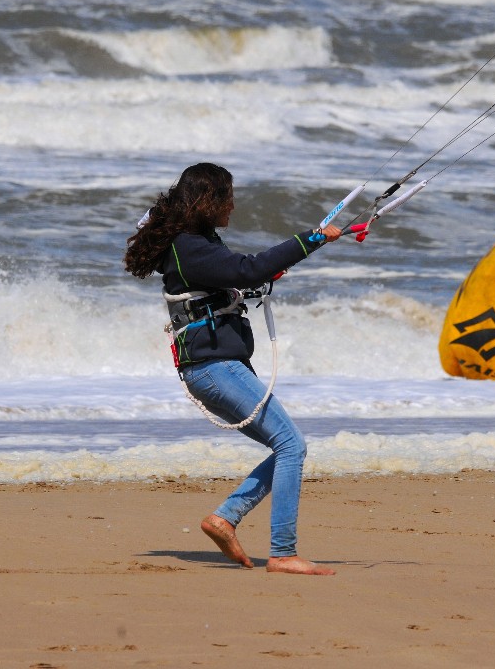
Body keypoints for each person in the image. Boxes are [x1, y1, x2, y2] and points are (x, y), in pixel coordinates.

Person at [124, 163, 342, 575]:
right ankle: (282, 553)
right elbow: (247, 268)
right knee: (292, 446)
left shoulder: (195, 244)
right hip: (215, 368)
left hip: (214, 367)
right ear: (209, 202)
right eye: (228, 197)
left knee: (285, 448)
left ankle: (225, 519)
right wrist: (311, 240)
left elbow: (240, 276)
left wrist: (259, 278)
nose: (234, 205)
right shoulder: (188, 246)